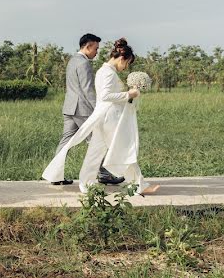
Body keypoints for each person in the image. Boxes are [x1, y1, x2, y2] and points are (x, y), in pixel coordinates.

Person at [43, 38, 159, 195]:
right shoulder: (108, 73)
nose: (126, 67)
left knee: (95, 153)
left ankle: (86, 184)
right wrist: (129, 93)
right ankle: (139, 186)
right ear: (120, 58)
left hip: (103, 117)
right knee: (124, 149)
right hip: (109, 119)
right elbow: (105, 96)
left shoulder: (104, 71)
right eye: (127, 63)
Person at [52, 33, 124, 186]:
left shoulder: (72, 60)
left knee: (65, 143)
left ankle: (55, 175)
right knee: (98, 140)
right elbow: (87, 90)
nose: (97, 52)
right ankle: (104, 174)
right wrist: (98, 107)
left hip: (69, 108)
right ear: (88, 46)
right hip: (82, 109)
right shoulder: (84, 63)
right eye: (96, 49)